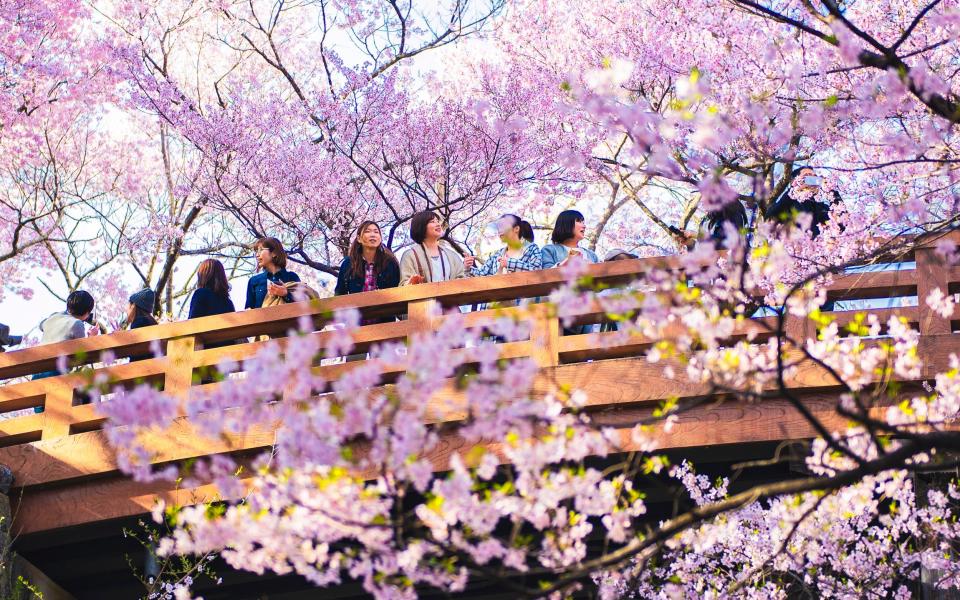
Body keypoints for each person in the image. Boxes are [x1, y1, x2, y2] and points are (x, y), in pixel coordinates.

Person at [32, 290, 98, 412]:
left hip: (37, 378)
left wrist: (60, 315)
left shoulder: (53, 318)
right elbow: (81, 357)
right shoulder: (77, 324)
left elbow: (41, 325)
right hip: (57, 378)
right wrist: (91, 339)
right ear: (87, 313)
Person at [399, 211, 475, 285]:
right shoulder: (410, 255)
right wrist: (411, 283)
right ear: (421, 226)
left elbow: (461, 281)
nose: (438, 224)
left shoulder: (452, 255)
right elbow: (404, 284)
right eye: (432, 221)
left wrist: (465, 268)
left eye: (438, 221)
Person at [767, 166, 842, 239]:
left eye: (815, 176)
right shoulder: (786, 203)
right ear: (794, 181)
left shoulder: (822, 208)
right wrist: (795, 190)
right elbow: (770, 217)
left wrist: (831, 190)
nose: (812, 179)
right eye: (807, 176)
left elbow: (841, 223)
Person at [335, 221, 401, 296]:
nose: (373, 235)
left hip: (386, 306)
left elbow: (397, 290)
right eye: (367, 231)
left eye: (376, 232)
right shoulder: (348, 263)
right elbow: (339, 293)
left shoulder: (390, 262)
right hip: (356, 306)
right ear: (359, 238)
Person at [470, 214, 541, 276]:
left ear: (516, 229)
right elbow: (482, 273)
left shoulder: (531, 248)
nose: (500, 231)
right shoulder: (497, 255)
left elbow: (537, 271)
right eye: (498, 228)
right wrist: (467, 268)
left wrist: (510, 263)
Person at [245, 237, 301, 309]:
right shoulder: (254, 281)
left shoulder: (291, 277)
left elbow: (302, 305)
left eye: (261, 250)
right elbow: (248, 309)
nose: (257, 255)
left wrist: (286, 294)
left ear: (274, 253)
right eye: (256, 251)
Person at [599, 249, 639, 333]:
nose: (627, 267)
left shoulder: (631, 289)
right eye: (622, 262)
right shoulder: (601, 290)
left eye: (629, 263)